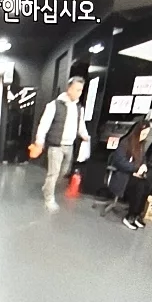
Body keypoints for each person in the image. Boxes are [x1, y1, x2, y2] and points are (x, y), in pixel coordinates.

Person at [30, 75, 91, 208]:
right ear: (69, 89)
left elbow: (80, 125)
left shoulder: (79, 108)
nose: (79, 93)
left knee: (64, 172)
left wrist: (85, 135)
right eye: (77, 89)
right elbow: (44, 124)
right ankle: (49, 199)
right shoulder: (54, 105)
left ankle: (47, 187)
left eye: (81, 90)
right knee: (53, 173)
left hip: (69, 146)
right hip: (56, 145)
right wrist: (39, 141)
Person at [106, 119, 152, 229]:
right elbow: (119, 161)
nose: (144, 136)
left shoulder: (141, 145)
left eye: (146, 134)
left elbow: (143, 160)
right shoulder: (125, 143)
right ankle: (130, 216)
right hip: (122, 175)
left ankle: (137, 214)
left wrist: (143, 167)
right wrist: (135, 169)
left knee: (146, 185)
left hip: (133, 174)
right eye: (143, 133)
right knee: (139, 186)